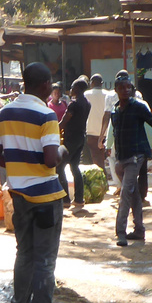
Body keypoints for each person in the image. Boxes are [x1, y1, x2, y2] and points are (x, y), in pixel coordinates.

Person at [0, 62, 66, 303]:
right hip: (46, 197)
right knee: (45, 261)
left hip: (19, 194)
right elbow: (50, 161)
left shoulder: (4, 113)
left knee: (24, 254)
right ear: (45, 85)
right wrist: (62, 152)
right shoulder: (47, 116)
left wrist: (19, 163)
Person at [108, 74, 152, 247]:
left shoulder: (138, 107)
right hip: (122, 158)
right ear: (116, 90)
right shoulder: (116, 110)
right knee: (134, 195)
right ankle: (139, 230)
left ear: (132, 90)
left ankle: (121, 232)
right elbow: (115, 134)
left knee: (125, 192)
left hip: (136, 156)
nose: (126, 90)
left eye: (128, 87)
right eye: (122, 87)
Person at [58, 78, 91, 208]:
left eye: (72, 87)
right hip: (80, 137)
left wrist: (52, 129)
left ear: (77, 89)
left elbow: (64, 122)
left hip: (70, 139)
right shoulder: (87, 103)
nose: (70, 90)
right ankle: (79, 198)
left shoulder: (73, 104)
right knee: (75, 167)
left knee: (60, 167)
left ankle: (65, 199)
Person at [84, 74, 112, 186]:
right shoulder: (108, 95)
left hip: (91, 131)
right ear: (101, 83)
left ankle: (102, 182)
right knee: (102, 158)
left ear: (91, 83)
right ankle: (103, 181)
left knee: (96, 159)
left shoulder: (86, 94)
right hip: (106, 132)